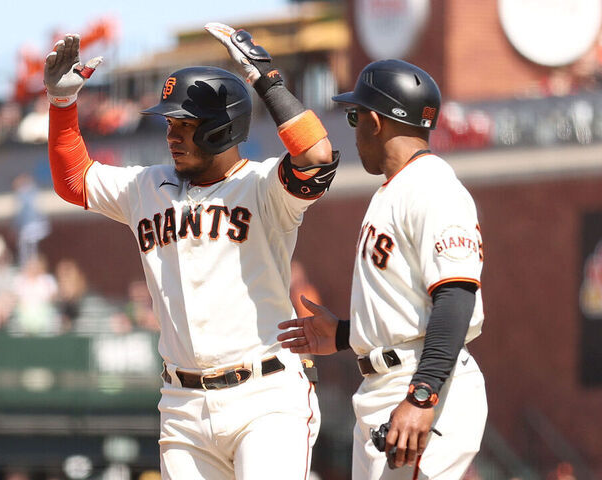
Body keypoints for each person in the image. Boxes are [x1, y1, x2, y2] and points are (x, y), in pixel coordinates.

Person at [44, 21, 339, 480]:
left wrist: (267, 80)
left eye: (186, 123)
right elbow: (72, 180)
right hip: (182, 406)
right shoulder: (146, 186)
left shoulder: (263, 187)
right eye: (170, 122)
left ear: (222, 128)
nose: (172, 134)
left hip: (265, 398)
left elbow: (317, 158)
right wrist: (63, 105)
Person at [278, 60, 487, 479]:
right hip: (388, 384)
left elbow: (456, 296)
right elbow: (409, 307)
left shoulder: (433, 187)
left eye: (355, 116)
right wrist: (342, 334)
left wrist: (423, 395)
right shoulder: (397, 187)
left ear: (374, 121)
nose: (352, 129)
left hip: (422, 383)